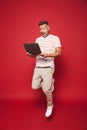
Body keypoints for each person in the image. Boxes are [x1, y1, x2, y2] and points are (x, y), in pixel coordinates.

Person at [26, 20, 62, 117]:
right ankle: (50, 82)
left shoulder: (55, 38)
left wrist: (48, 54)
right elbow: (36, 55)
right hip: (38, 67)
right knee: (34, 86)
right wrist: (31, 55)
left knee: (46, 90)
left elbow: (59, 53)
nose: (42, 30)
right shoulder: (37, 39)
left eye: (44, 28)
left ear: (48, 28)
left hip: (48, 67)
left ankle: (50, 105)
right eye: (41, 29)